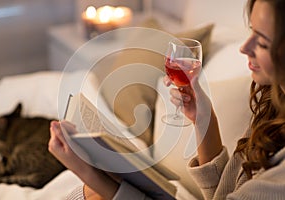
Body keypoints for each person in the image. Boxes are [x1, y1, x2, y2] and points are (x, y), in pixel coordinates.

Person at [48, 0, 285, 199]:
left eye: (262, 41)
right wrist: (204, 118)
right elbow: (222, 194)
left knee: (91, 192)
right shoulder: (274, 104)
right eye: (251, 31)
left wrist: (91, 174)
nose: (245, 47)